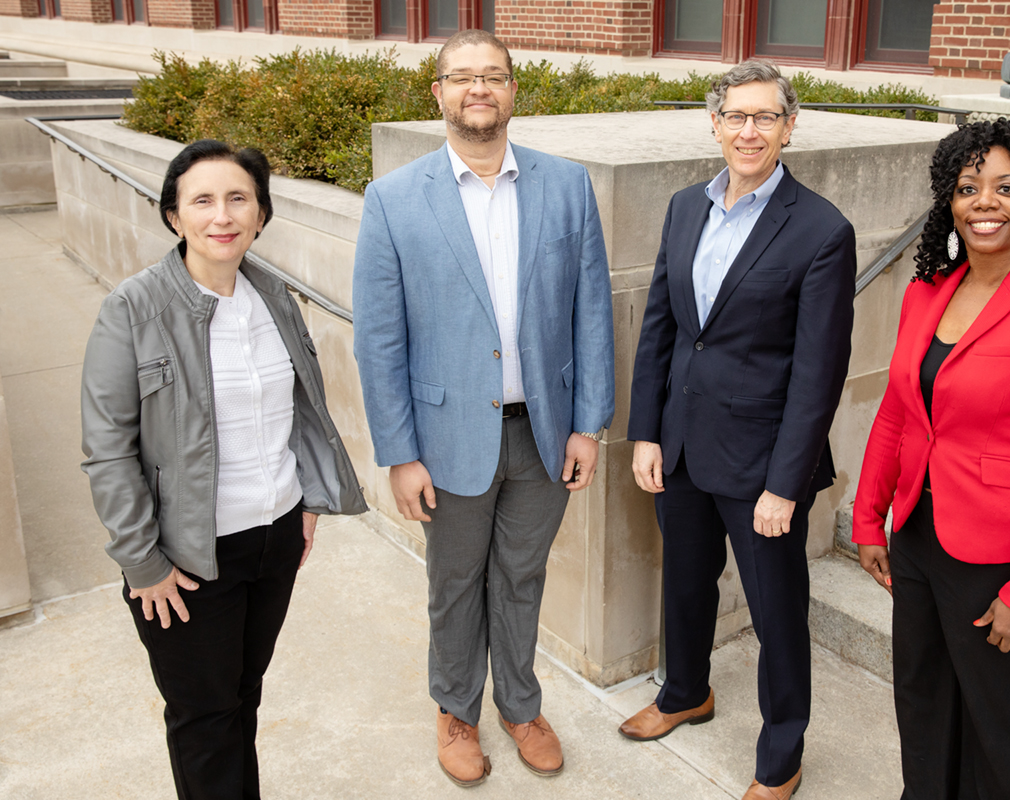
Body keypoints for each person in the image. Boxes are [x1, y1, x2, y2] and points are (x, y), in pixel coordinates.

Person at [352, 29, 615, 788]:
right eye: (461, 77)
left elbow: (591, 313)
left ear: (512, 90)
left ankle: (520, 706)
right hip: (444, 438)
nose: (478, 90)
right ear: (437, 92)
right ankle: (456, 709)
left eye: (492, 76)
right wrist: (400, 453)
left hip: (542, 432)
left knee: (522, 577)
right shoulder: (394, 200)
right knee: (456, 581)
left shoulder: (566, 186)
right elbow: (380, 341)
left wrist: (587, 425)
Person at [81, 139, 367, 799]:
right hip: (184, 556)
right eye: (202, 200)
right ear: (174, 216)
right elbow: (107, 447)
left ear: (260, 214)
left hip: (273, 537)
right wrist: (141, 560)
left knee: (242, 696)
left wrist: (310, 504)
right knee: (204, 718)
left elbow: (300, 411)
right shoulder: (133, 308)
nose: (222, 214)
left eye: (238, 198)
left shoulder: (272, 295)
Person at [622, 59, 856, 800]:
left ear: (790, 127)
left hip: (762, 466)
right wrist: (647, 433)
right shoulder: (686, 206)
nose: (748, 131)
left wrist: (785, 485)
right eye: (735, 116)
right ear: (713, 123)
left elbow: (818, 374)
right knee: (685, 586)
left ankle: (780, 755)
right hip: (683, 443)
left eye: (765, 117)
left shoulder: (823, 230)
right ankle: (684, 692)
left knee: (777, 614)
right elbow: (662, 329)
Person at [852, 118, 1010, 799]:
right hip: (919, 540)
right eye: (968, 188)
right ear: (950, 201)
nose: (984, 203)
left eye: (1006, 188)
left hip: (997, 557)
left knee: (999, 727)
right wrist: (871, 517)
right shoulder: (923, 294)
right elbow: (899, 412)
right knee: (923, 702)